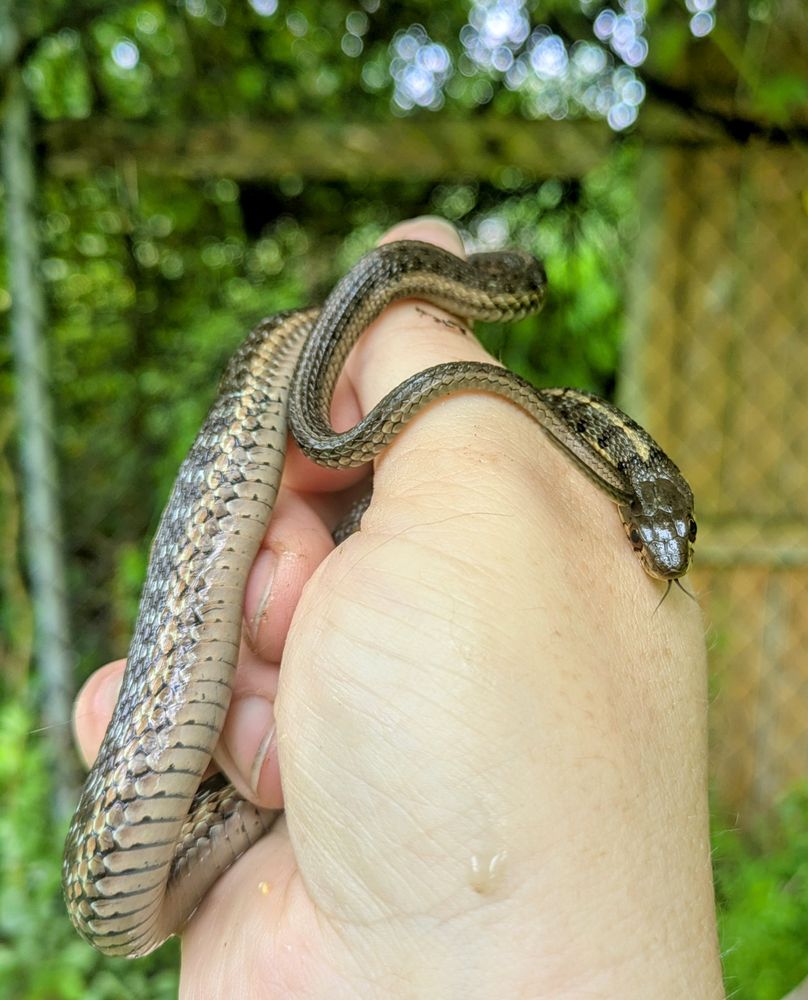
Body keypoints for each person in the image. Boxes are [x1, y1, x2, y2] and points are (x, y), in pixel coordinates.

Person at [72, 217, 724, 998]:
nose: (659, 552)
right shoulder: (409, 344)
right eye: (649, 533)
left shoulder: (566, 467)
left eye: (668, 536)